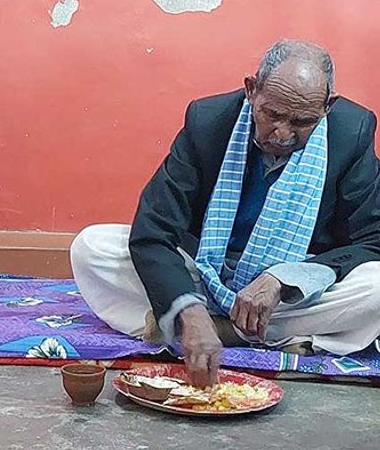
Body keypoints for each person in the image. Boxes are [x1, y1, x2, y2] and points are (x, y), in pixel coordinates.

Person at [71, 40, 380, 387]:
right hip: (206, 270)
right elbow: (154, 229)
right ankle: (247, 329)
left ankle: (215, 329)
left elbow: (372, 239)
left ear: (327, 107)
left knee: (376, 287)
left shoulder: (351, 131)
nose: (282, 134)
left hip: (292, 288)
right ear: (251, 90)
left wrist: (284, 280)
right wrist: (189, 308)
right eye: (271, 115)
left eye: (301, 122)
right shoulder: (208, 120)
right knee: (92, 247)